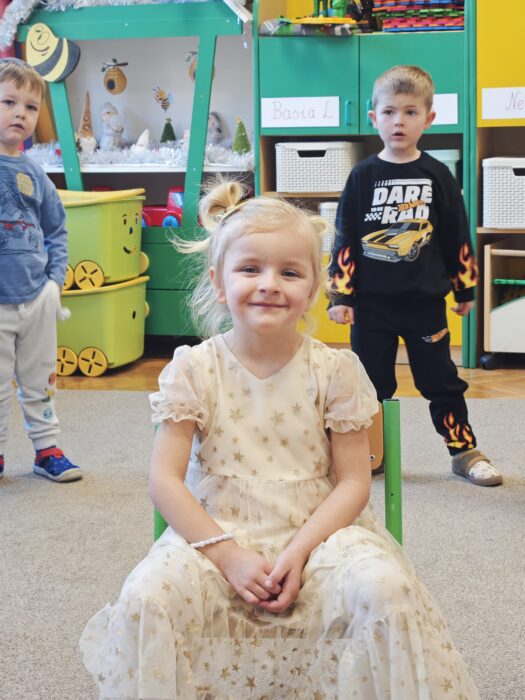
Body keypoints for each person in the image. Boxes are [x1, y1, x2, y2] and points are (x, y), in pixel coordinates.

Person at [80, 179, 479, 698]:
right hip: (215, 534)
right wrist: (228, 555)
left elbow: (354, 482)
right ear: (218, 282)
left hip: (322, 535)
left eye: (289, 273)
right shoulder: (193, 370)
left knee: (386, 588)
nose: (269, 284)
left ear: (313, 290)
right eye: (250, 269)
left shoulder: (337, 370)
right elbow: (165, 482)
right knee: (146, 595)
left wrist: (299, 551)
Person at [328, 64, 502, 487]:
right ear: (374, 117)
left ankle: (464, 451)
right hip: (371, 306)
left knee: (440, 381)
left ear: (428, 118)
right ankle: (370, 456)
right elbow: (345, 236)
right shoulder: (362, 176)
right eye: (389, 112)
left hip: (424, 304)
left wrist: (465, 287)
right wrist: (341, 295)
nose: (399, 122)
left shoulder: (437, 174)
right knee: (370, 386)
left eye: (410, 112)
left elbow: (456, 234)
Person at [0, 58, 81, 483]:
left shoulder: (35, 173)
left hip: (36, 297)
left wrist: (55, 282)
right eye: (9, 102)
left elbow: (56, 229)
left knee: (41, 379)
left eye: (30, 107)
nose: (21, 114)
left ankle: (47, 449)